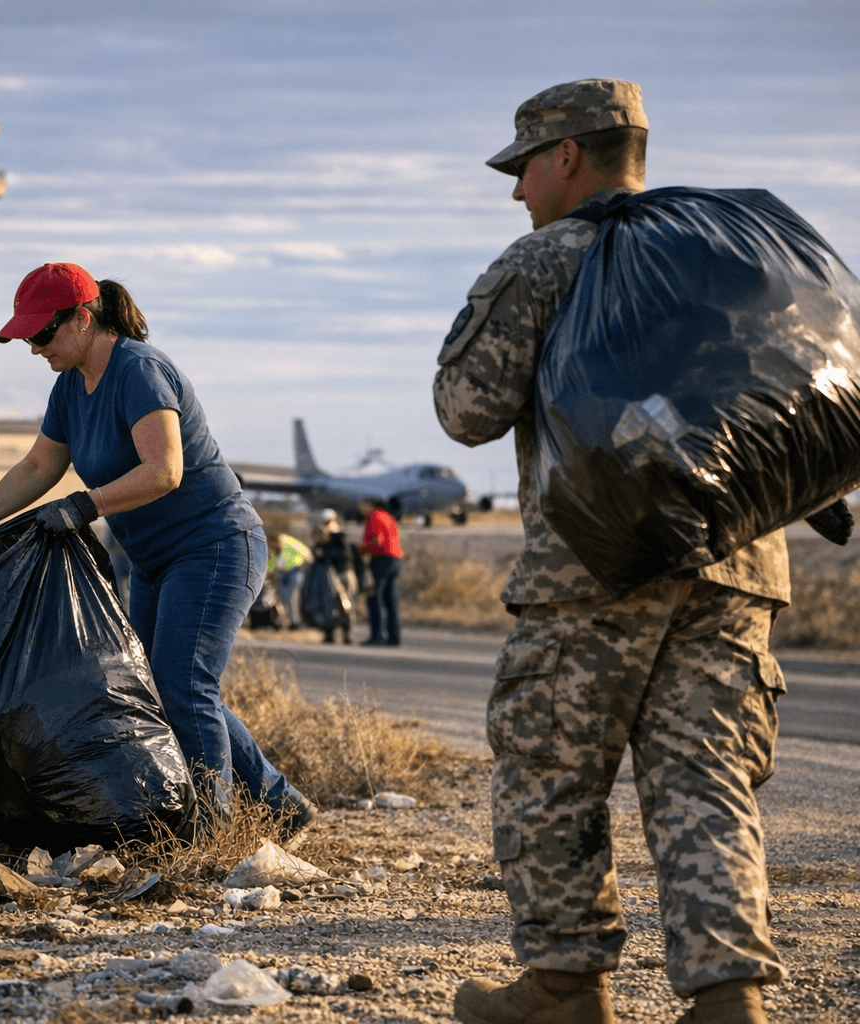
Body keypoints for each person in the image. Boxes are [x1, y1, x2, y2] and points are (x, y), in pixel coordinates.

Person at [433, 80, 791, 1024]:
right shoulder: (722, 252)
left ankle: (564, 983)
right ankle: (728, 998)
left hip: (595, 563)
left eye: (523, 169)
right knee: (704, 775)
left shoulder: (552, 257)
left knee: (551, 769)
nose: (516, 192)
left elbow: (465, 410)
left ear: (568, 157)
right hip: (740, 559)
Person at [0, 262, 316, 830]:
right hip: (157, 560)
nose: (35, 348)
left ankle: (213, 832)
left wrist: (86, 505)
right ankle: (281, 805)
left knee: (185, 685)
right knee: (161, 685)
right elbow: (40, 464)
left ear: (83, 318)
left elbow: (165, 470)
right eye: (27, 338)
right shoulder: (70, 387)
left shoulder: (139, 371)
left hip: (214, 546)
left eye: (42, 334)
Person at [359, 498, 402, 646]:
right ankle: (394, 637)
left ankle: (377, 636)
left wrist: (362, 550)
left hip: (380, 560)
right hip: (395, 560)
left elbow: (377, 540)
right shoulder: (389, 517)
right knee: (391, 601)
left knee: (375, 599)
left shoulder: (374, 516)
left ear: (371, 505)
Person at [311, 508, 355, 644]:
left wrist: (327, 553)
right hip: (326, 578)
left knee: (344, 604)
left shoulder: (340, 536)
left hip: (342, 575)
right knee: (326, 604)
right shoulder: (324, 537)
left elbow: (345, 556)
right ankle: (329, 633)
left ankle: (347, 634)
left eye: (327, 521)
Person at [265, 531, 312, 630]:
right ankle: (286, 621)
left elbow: (307, 555)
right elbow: (273, 564)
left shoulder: (287, 541)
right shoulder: (275, 549)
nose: (274, 544)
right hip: (282, 574)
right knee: (283, 597)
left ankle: (295, 621)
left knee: (293, 597)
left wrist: (304, 565)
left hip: (294, 571)